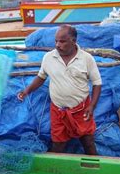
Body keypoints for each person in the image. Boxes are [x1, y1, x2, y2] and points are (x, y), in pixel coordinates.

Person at [17, 25, 102, 155]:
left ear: (73, 41)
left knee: (88, 141)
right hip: (58, 111)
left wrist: (92, 106)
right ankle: (56, 172)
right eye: (56, 41)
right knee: (58, 143)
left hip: (81, 110)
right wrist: (27, 90)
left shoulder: (86, 59)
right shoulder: (49, 58)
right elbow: (41, 77)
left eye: (62, 41)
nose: (57, 45)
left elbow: (97, 83)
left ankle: (95, 170)